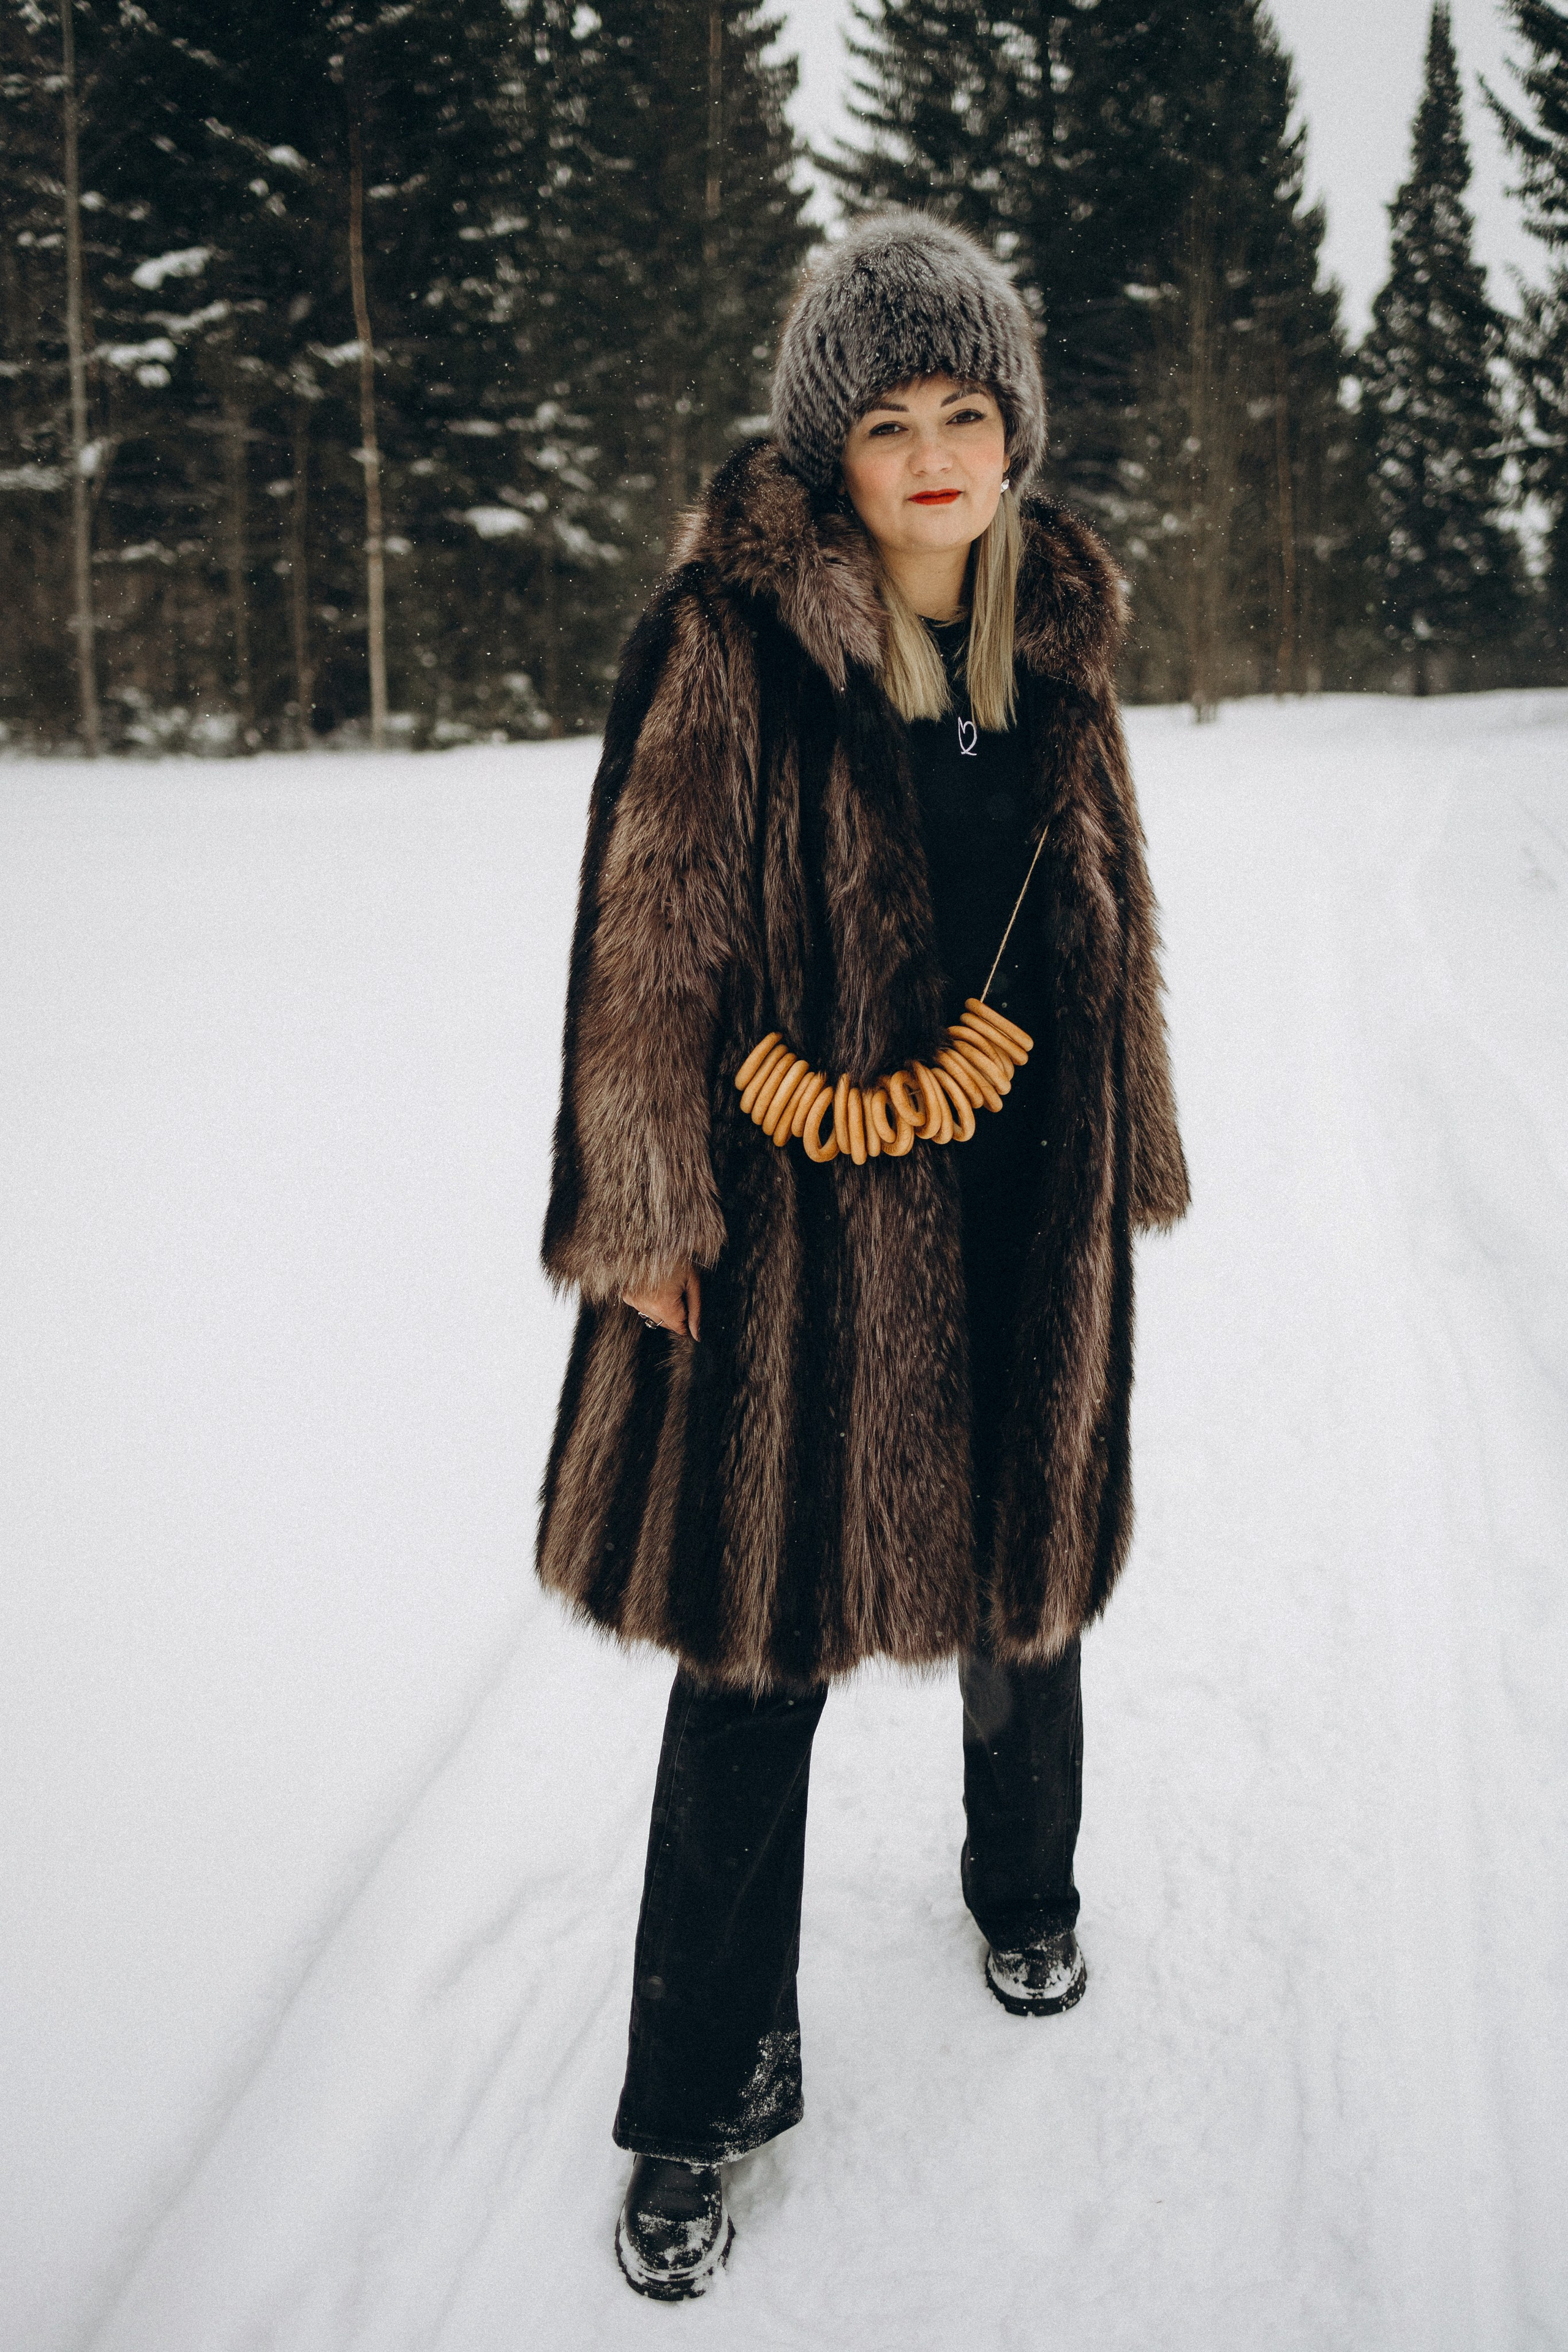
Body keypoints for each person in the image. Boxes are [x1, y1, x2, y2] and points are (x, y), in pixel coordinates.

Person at [537, 209, 1191, 2300]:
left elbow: (1109, 921)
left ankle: (1024, 1881)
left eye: (967, 412)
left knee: (1028, 1584)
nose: (933, 453)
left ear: (1015, 439)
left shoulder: (1061, 645)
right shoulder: (730, 640)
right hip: (801, 1234)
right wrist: (639, 1206)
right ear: (834, 451)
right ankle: (695, 2096)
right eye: (889, 419)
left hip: (1021, 1198)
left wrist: (1133, 1144)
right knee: (758, 1659)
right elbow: (642, 938)